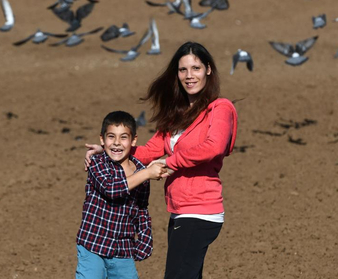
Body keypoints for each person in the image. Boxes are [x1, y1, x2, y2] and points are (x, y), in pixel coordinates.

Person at [85, 42, 238, 279]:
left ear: (208, 69)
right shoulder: (176, 113)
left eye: (196, 68)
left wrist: (170, 163)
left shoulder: (220, 108)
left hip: (200, 211)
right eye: (183, 70)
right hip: (179, 211)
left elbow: (213, 147)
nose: (189, 76)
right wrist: (110, 150)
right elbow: (148, 151)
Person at [76, 111, 167, 279]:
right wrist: (147, 173)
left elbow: (141, 208)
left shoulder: (140, 169)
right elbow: (112, 189)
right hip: (93, 243)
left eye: (123, 137)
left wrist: (145, 238)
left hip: (123, 249)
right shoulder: (98, 163)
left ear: (133, 141)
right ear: (102, 140)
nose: (116, 143)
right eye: (111, 137)